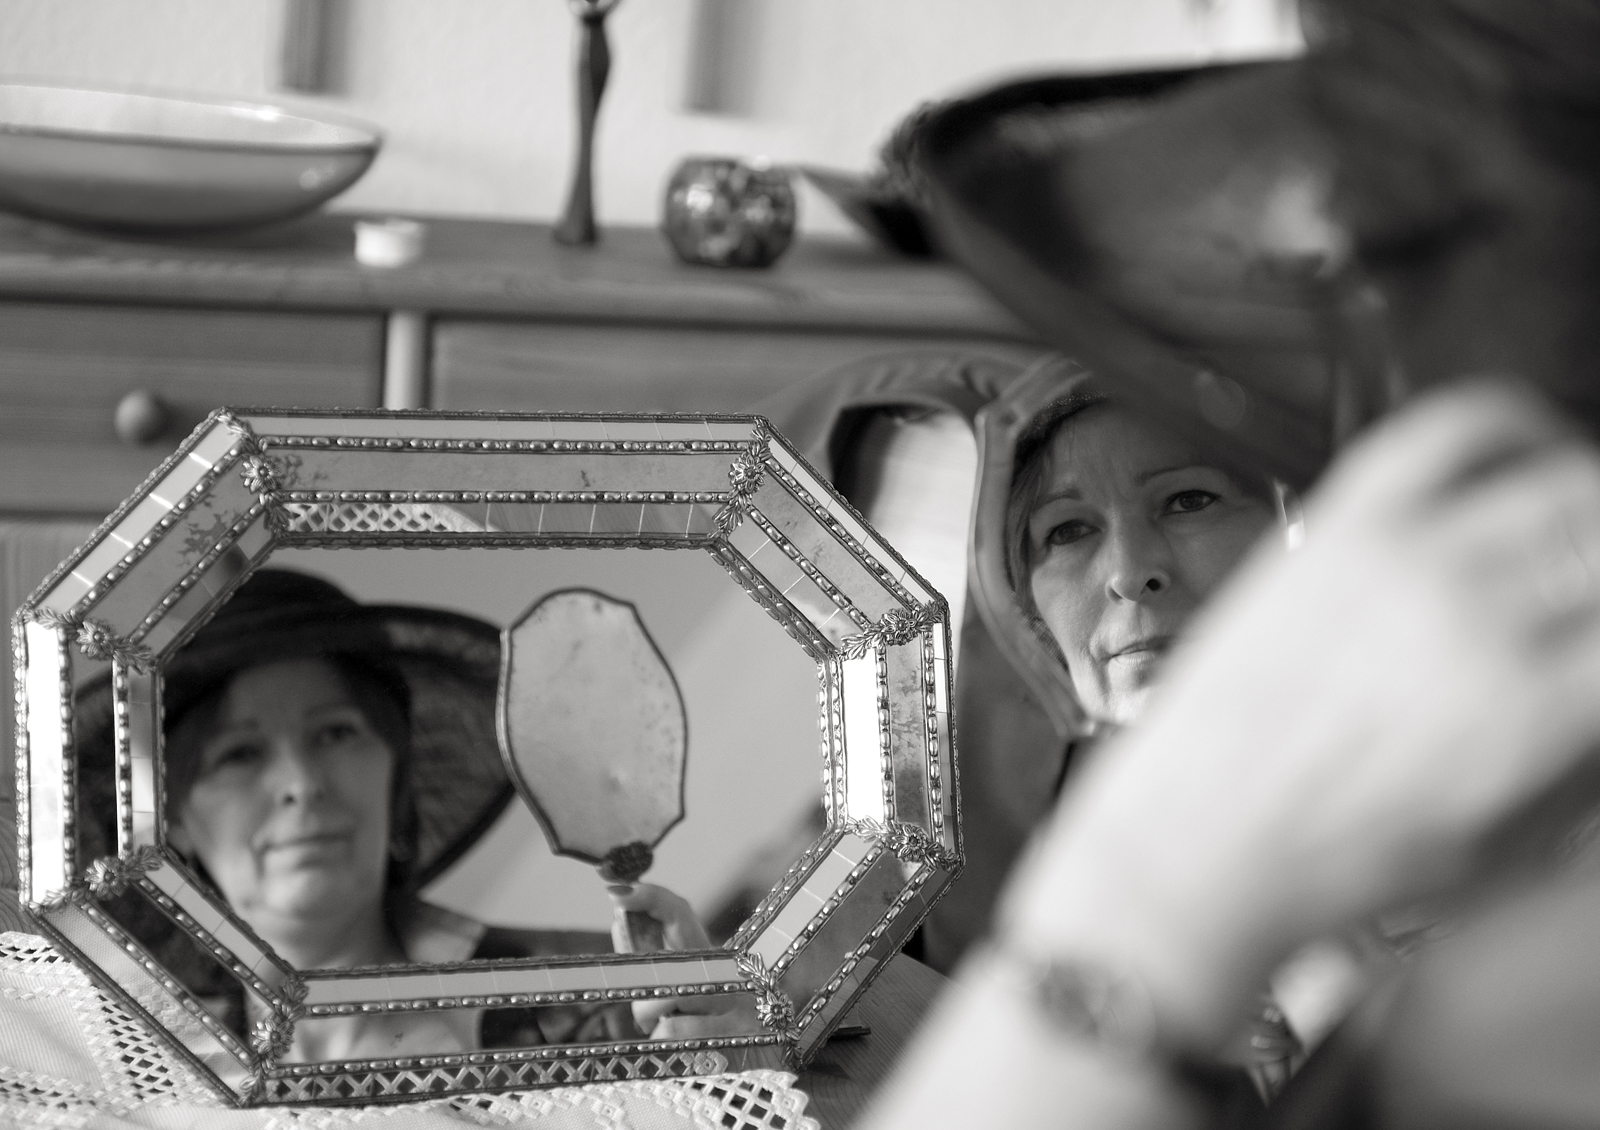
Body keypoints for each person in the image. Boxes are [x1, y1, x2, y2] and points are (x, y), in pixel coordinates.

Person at [860, 0, 1600, 1125]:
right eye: (1064, 531)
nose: (1131, 572)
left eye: (1193, 499)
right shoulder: (938, 834)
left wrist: (1145, 919)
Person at [74, 568, 747, 1062]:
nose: (302, 784)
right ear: (172, 823)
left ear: (393, 774)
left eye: (336, 733)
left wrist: (749, 1066)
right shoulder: (135, 1076)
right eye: (240, 754)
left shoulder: (605, 999)